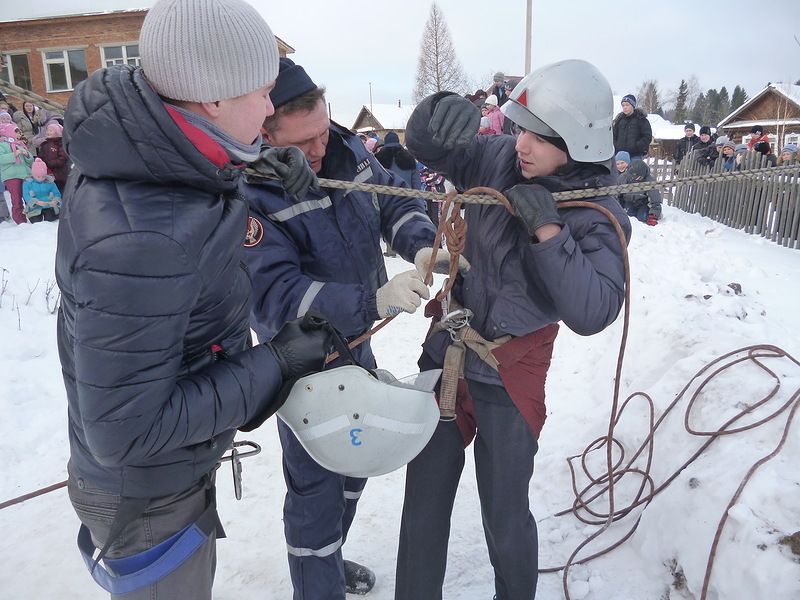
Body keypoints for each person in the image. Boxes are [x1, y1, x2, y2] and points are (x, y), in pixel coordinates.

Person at [56, 1, 333, 599]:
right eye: (261, 93)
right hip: (149, 495)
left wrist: (253, 163)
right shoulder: (139, 241)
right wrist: (276, 363)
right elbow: (127, 432)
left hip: (166, 472)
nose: (269, 106)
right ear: (210, 99)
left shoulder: (143, 140)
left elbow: (180, 184)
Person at [395, 58, 631, 600]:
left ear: (576, 143)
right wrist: (435, 117)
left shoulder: (597, 213)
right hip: (449, 354)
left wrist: (548, 230)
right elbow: (431, 150)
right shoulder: (499, 158)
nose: (521, 143)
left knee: (505, 515)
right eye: (521, 127)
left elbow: (593, 310)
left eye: (540, 136)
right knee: (424, 501)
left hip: (511, 372)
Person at [242, 57, 439, 600]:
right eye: (305, 142)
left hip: (355, 347)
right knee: (315, 494)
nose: (319, 149)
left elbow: (392, 207)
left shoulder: (346, 151)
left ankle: (330, 561)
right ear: (264, 130)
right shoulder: (252, 194)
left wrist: (421, 244)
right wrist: (372, 299)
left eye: (323, 131)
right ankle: (318, 581)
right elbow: (278, 297)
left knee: (355, 467)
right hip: (303, 364)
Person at [0, 122, 34, 224]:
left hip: (25, 175)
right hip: (11, 176)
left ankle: (34, 216)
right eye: (17, 132)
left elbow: (30, 160)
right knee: (16, 199)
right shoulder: (2, 145)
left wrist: (27, 154)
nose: (19, 135)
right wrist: (14, 154)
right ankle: (20, 220)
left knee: (29, 196)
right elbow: (1, 159)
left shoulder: (20, 144)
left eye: (19, 133)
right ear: (9, 133)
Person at [618, 158, 662, 225]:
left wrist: (653, 214)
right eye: (634, 177)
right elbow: (616, 194)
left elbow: (655, 198)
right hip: (628, 202)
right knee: (628, 217)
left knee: (642, 218)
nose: (636, 179)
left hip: (643, 203)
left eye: (639, 178)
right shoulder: (623, 178)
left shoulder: (649, 181)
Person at [612, 93, 652, 159]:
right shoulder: (619, 120)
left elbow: (647, 137)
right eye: (623, 105)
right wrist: (616, 146)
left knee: (635, 169)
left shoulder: (641, 119)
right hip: (620, 155)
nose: (625, 107)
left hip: (635, 155)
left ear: (633, 106)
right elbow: (613, 135)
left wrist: (636, 146)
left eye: (627, 105)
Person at [23, 157, 61, 222]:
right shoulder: (28, 183)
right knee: (35, 221)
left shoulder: (50, 182)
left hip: (48, 205)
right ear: (33, 174)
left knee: (50, 219)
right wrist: (36, 202)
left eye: (43, 176)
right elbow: (26, 195)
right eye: (38, 176)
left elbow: (57, 193)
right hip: (35, 207)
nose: (41, 178)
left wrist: (55, 201)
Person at [37, 122, 69, 192]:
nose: (48, 132)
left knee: (62, 191)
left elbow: (62, 158)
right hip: (48, 174)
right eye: (47, 130)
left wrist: (49, 164)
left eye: (51, 130)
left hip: (60, 174)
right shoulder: (44, 144)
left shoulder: (61, 143)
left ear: (57, 132)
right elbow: (40, 156)